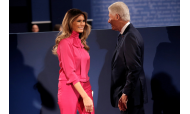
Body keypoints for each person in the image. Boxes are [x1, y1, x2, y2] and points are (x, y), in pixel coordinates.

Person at [108, 2, 148, 114]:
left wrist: (125, 94)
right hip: (130, 96)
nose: (108, 21)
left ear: (117, 16)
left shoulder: (130, 36)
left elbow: (134, 68)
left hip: (131, 96)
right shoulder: (125, 35)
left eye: (110, 17)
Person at [52, 9, 94, 114]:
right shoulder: (64, 43)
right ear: (70, 22)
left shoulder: (82, 43)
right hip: (68, 87)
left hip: (85, 86)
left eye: (83, 21)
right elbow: (70, 72)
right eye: (78, 21)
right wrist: (85, 96)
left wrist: (87, 92)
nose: (83, 24)